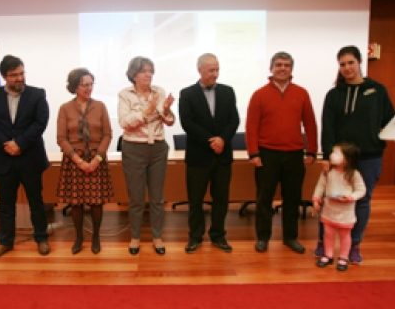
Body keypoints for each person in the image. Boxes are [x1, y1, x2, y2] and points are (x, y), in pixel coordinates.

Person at [316, 45, 395, 264]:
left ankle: (353, 246)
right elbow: (328, 128)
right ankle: (323, 243)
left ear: (360, 62)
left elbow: (390, 123)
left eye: (350, 62)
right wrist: (326, 157)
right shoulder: (334, 95)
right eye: (342, 64)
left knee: (361, 201)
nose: (347, 68)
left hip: (370, 156)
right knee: (329, 199)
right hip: (340, 159)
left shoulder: (377, 91)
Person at [245, 51, 318, 254]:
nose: (282, 68)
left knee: (293, 198)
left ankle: (290, 237)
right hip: (267, 154)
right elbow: (251, 126)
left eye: (286, 65)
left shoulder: (302, 93)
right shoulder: (259, 94)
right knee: (264, 199)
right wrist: (253, 153)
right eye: (278, 65)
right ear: (271, 68)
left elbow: (310, 123)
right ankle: (263, 237)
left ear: (291, 69)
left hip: (294, 154)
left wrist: (312, 149)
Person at [0, 54, 51, 259]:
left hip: (30, 157)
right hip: (4, 158)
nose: (20, 78)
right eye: (14, 75)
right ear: (4, 76)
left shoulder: (37, 94)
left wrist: (19, 144)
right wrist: (7, 144)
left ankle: (41, 238)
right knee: (6, 205)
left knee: (36, 202)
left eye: (21, 73)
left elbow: (40, 123)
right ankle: (5, 242)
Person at [179, 53, 240, 253]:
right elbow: (187, 123)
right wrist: (211, 141)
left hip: (222, 156)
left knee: (221, 199)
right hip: (198, 156)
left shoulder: (227, 91)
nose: (215, 74)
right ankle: (195, 236)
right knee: (195, 200)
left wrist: (222, 139)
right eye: (211, 70)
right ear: (200, 70)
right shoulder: (187, 93)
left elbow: (234, 120)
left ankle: (218, 235)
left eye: (217, 69)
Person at [118, 56, 175, 255]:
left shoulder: (159, 92)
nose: (148, 74)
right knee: (136, 199)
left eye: (150, 70)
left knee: (157, 198)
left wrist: (166, 110)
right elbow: (124, 122)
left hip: (158, 148)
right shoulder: (125, 94)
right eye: (144, 71)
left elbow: (170, 121)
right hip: (134, 149)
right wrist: (146, 112)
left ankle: (157, 237)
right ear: (134, 75)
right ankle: (135, 237)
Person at [56, 68, 113, 254]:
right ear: (75, 87)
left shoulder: (100, 106)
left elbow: (107, 135)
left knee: (96, 202)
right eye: (84, 85)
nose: (89, 88)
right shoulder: (65, 108)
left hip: (96, 159)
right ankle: (79, 237)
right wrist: (79, 161)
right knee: (76, 203)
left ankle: (96, 236)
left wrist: (97, 159)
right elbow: (61, 138)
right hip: (74, 160)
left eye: (91, 84)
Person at [312, 142, 366, 271]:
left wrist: (351, 197)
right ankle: (328, 255)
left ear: (347, 159)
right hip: (329, 210)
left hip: (345, 212)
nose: (332, 155)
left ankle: (343, 257)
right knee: (328, 234)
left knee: (345, 235)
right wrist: (316, 199)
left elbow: (361, 190)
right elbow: (320, 186)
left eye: (336, 153)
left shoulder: (353, 174)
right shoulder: (328, 172)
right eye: (333, 152)